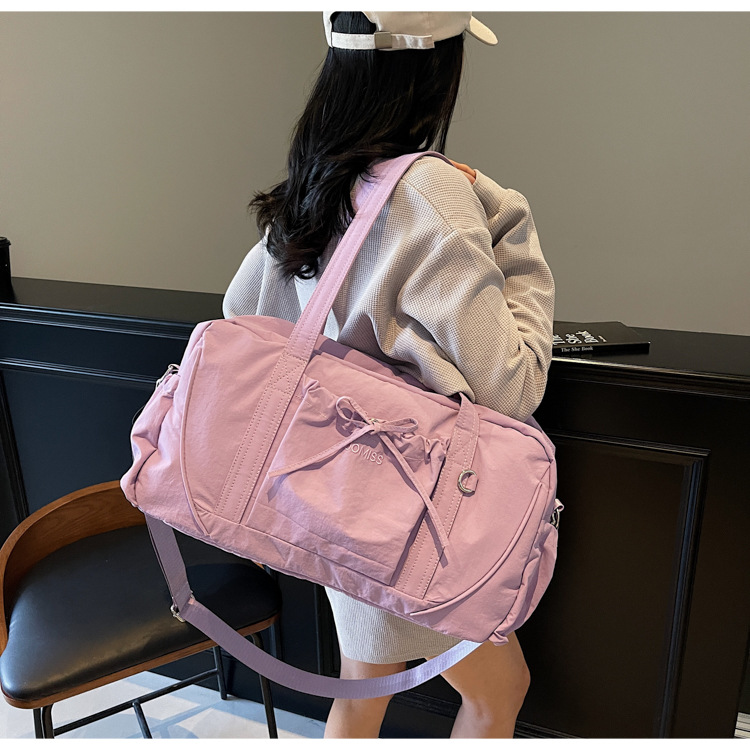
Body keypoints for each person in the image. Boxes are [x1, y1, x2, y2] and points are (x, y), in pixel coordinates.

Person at [223, 11, 555, 739]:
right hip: (414, 510)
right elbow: (512, 386)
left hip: (331, 496)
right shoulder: (430, 190)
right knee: (499, 692)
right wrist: (512, 227)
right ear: (435, 69)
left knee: (362, 693)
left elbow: (243, 311)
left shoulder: (319, 176)